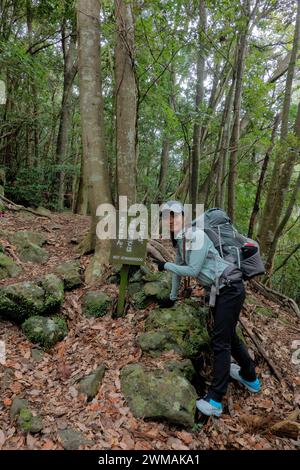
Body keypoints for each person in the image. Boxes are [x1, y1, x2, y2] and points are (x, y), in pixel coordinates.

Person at [157, 200, 261, 417]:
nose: (170, 220)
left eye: (174, 215)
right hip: (220, 290)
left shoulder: (198, 236)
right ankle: (250, 377)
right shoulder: (181, 242)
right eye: (166, 217)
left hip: (230, 289)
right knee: (229, 336)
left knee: (220, 342)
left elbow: (192, 270)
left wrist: (165, 265)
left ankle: (215, 399)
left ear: (183, 217)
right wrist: (172, 297)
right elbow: (178, 272)